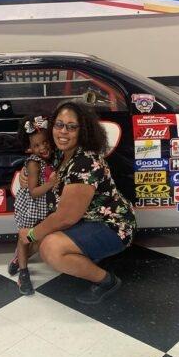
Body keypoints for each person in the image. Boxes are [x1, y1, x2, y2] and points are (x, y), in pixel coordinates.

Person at [18, 101, 136, 304]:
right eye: (59, 125)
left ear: (84, 131)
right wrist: (24, 173)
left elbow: (65, 217)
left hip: (111, 225)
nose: (63, 131)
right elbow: (37, 162)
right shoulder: (61, 154)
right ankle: (87, 254)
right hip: (86, 219)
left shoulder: (85, 163)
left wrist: (31, 234)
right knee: (44, 233)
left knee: (50, 248)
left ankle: (106, 281)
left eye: (72, 127)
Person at [10, 115, 58, 295]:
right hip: (31, 207)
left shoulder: (53, 157)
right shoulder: (33, 163)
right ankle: (23, 272)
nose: (43, 147)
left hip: (46, 207)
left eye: (45, 142)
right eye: (37, 146)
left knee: (40, 237)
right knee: (24, 237)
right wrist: (50, 184)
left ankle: (18, 259)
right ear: (30, 148)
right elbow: (33, 192)